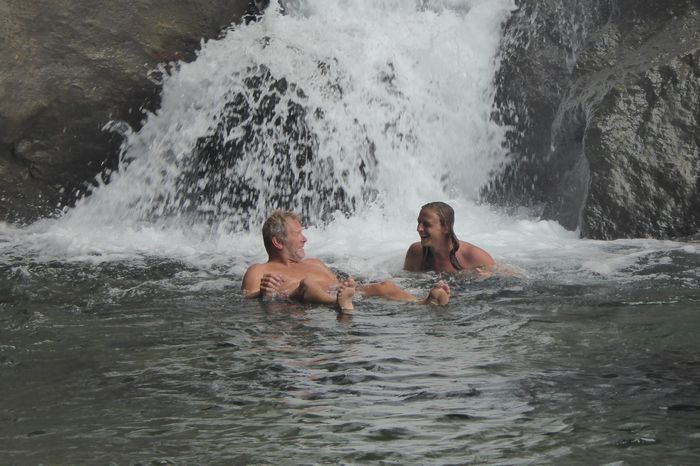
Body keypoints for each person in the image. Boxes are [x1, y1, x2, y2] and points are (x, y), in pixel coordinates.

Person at [242, 210, 450, 311]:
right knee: (307, 284)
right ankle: (338, 304)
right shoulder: (259, 270)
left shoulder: (315, 264)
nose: (304, 239)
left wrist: (348, 287)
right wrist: (262, 292)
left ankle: (423, 302)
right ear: (278, 242)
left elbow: (339, 286)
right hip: (310, 300)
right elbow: (246, 297)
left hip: (342, 297)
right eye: (298, 234)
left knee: (385, 285)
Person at [404, 201, 495, 274]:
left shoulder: (475, 256)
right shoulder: (415, 253)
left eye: (427, 224)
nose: (419, 229)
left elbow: (497, 274)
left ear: (446, 228)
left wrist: (486, 277)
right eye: (419, 222)